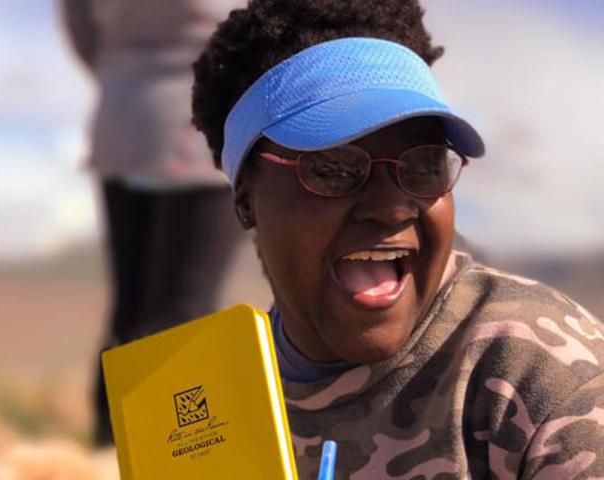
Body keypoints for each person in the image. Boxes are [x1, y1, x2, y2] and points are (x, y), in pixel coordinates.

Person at [191, 0, 604, 477]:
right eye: (333, 168)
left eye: (424, 165)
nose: (391, 206)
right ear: (246, 200)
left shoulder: (535, 371)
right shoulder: (203, 401)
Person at [60, 0, 245, 445]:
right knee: (184, 321)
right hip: (203, 131)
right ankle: (170, 459)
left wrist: (129, 73)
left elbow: (81, 28)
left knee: (131, 311)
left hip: (123, 120)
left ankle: (110, 451)